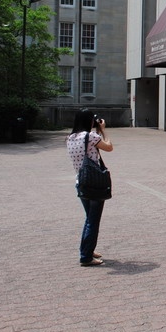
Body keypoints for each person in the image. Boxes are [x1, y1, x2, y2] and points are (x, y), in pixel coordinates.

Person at [66, 109, 113, 266]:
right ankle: (85, 256)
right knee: (93, 221)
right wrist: (103, 131)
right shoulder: (91, 136)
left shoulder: (70, 138)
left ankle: (88, 249)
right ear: (90, 121)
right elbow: (109, 147)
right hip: (94, 183)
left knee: (89, 219)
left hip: (81, 182)